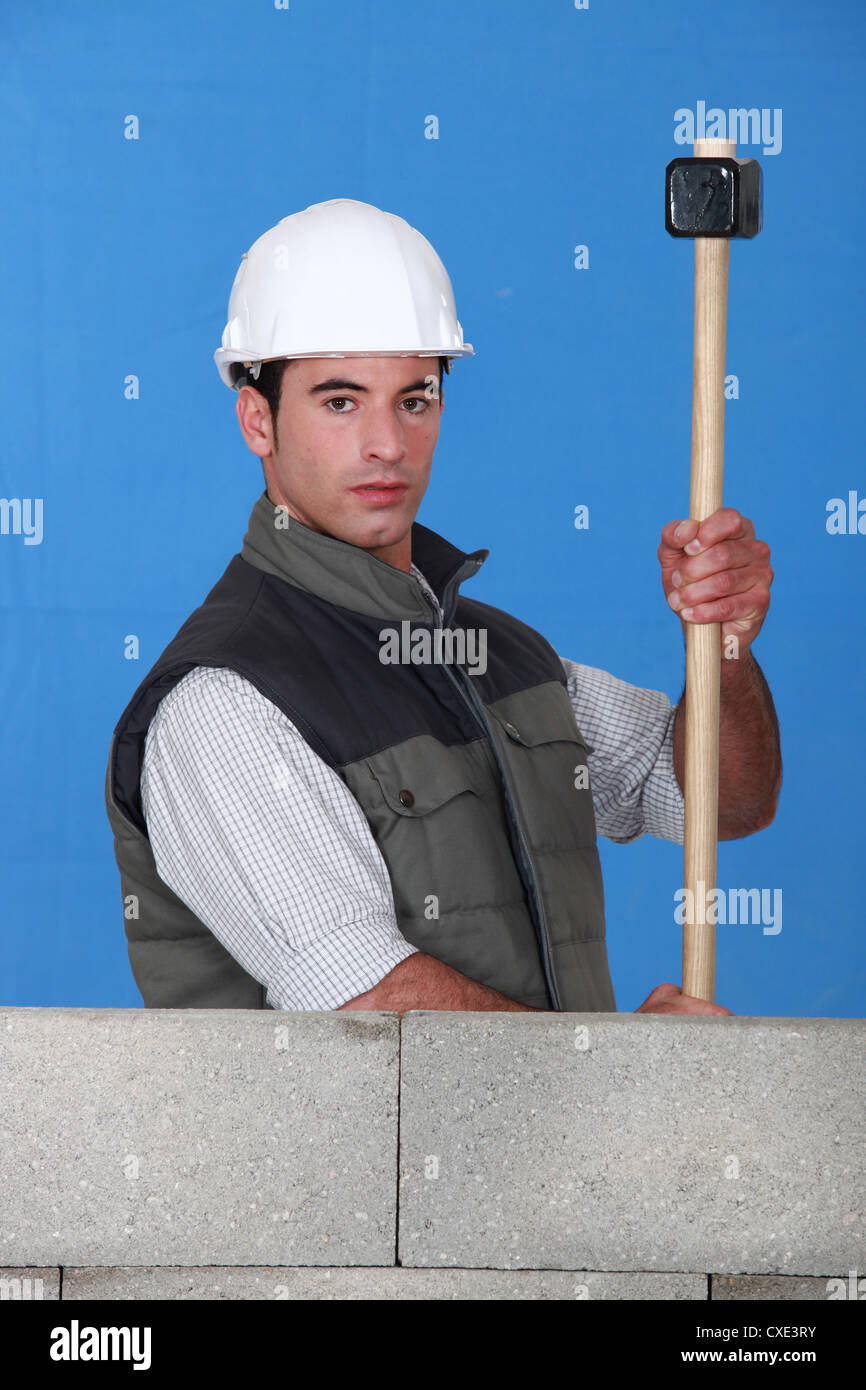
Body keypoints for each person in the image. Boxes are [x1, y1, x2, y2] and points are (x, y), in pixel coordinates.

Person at [104, 198, 780, 1020]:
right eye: (341, 401)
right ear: (259, 419)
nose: (387, 443)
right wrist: (626, 1074)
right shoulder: (225, 700)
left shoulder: (502, 656)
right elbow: (366, 1001)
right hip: (338, 1156)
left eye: (413, 399)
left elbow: (720, 801)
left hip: (564, 1148)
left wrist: (726, 647)